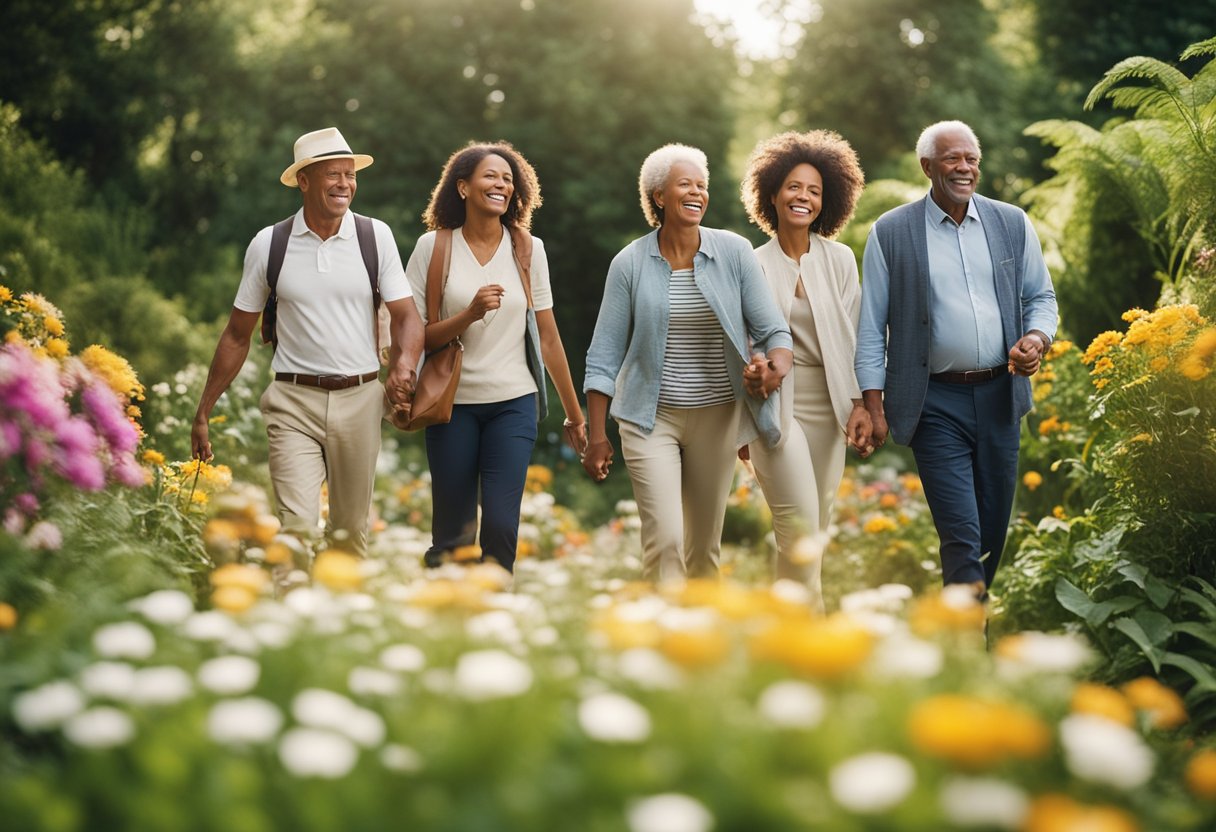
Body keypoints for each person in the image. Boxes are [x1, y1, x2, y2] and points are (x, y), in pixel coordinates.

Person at [192, 127, 424, 555]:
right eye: (332, 174)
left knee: (348, 536)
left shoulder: (376, 237)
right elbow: (237, 334)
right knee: (296, 531)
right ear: (304, 180)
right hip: (292, 400)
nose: (344, 184)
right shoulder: (269, 245)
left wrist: (404, 367)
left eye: (350, 174)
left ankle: (337, 621)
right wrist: (204, 410)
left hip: (360, 399)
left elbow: (407, 316)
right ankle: (291, 616)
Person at [855, 120, 1057, 598]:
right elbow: (870, 328)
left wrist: (1037, 338)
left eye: (971, 159)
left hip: (1000, 397)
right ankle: (969, 648)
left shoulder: (1012, 222)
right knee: (962, 537)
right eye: (952, 159)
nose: (964, 168)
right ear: (927, 167)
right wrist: (873, 403)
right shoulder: (891, 232)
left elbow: (1041, 297)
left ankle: (967, 630)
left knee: (991, 535)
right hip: (935, 404)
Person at [583, 143, 794, 582]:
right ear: (659, 196)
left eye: (703, 185)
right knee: (666, 541)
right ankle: (659, 642)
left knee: (703, 550)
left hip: (717, 417)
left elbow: (775, 333)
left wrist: (770, 371)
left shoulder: (733, 253)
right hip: (649, 417)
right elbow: (603, 356)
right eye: (685, 184)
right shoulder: (630, 264)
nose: (697, 192)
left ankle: (699, 642)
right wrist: (597, 435)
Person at [406, 141, 587, 573]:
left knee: (503, 526)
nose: (501, 184)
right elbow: (415, 339)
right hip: (452, 408)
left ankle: (498, 611)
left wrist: (574, 415)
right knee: (452, 534)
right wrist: (468, 314)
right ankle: (449, 621)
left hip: (513, 402)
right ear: (464, 187)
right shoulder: (433, 249)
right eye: (491, 176)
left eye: (508, 178)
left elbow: (548, 338)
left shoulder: (528, 249)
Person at [739, 130, 870, 604]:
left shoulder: (840, 260)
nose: (804, 197)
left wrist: (862, 405)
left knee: (813, 531)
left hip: (830, 410)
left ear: (827, 201)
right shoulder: (750, 264)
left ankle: (790, 630)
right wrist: (743, 418)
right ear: (772, 193)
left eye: (815, 190)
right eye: (794, 186)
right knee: (798, 533)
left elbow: (857, 336)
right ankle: (805, 640)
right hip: (776, 409)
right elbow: (744, 344)